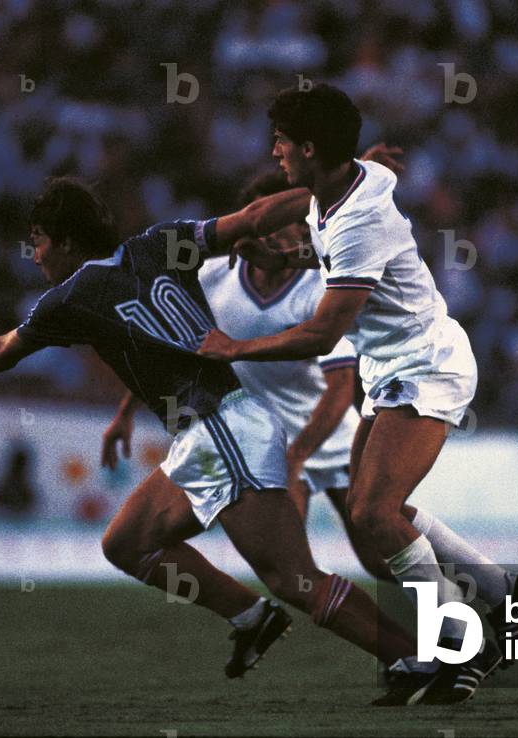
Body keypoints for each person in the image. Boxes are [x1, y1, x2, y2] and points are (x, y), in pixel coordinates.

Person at [0, 175, 426, 705]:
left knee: (294, 578)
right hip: (210, 432)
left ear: (66, 240)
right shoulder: (159, 242)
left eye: (39, 239)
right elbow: (250, 220)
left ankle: (414, 658)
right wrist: (333, 189)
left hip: (222, 429)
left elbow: (1, 347)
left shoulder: (69, 298)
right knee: (126, 543)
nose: (35, 254)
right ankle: (252, 617)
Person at [198, 83, 518, 705]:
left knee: (373, 516)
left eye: (281, 141)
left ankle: (462, 649)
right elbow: (331, 250)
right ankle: (507, 596)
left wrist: (235, 349)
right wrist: (286, 254)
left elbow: (323, 331)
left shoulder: (357, 216)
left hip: (427, 365)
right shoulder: (343, 187)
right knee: (381, 511)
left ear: (308, 149)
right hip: (393, 366)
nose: (273, 151)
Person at [101, 169, 393, 582]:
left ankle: (468, 594)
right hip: (264, 438)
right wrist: (125, 412)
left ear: (304, 229)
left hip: (326, 436)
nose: (271, 235)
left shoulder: (324, 288)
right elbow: (175, 348)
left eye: (282, 225)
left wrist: (300, 455)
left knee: (378, 560)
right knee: (290, 572)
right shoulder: (212, 277)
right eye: (263, 225)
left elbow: (341, 389)